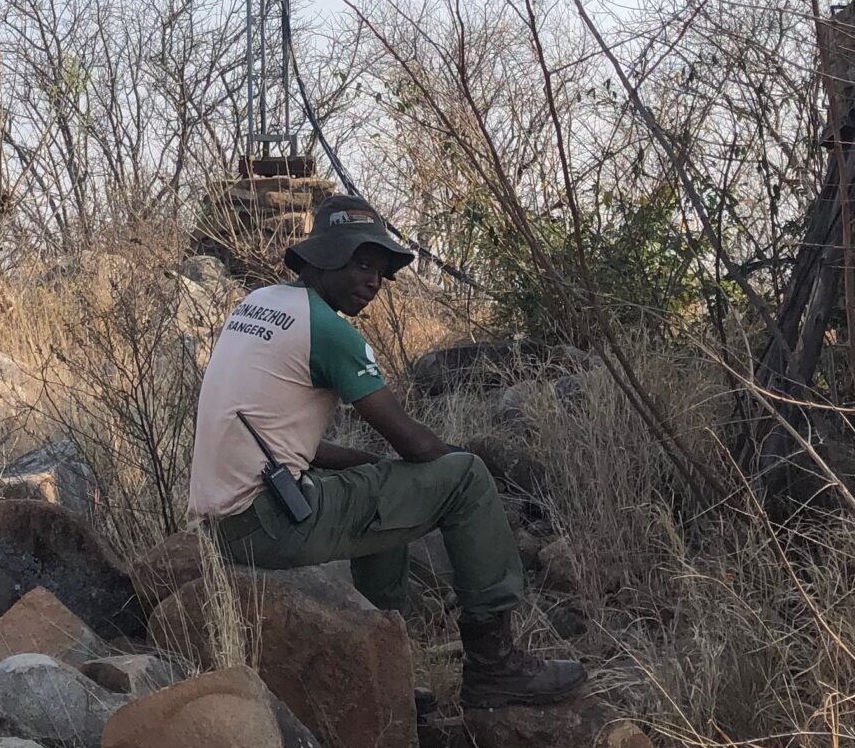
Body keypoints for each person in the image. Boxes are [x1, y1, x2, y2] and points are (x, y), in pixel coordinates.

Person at [190, 191, 584, 707]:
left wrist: (372, 464)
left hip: (225, 527)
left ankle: (382, 670)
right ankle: (495, 665)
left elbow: (272, 437)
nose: (374, 280)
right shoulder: (328, 332)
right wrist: (473, 464)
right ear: (325, 257)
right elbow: (412, 441)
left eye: (381, 269)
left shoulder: (257, 305)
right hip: (269, 526)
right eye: (363, 262)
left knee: (384, 494)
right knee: (464, 477)